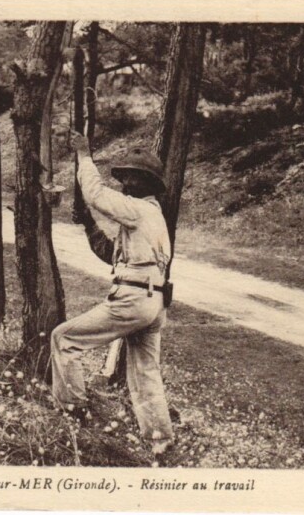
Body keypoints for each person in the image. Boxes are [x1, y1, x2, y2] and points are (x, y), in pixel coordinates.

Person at [51, 131, 176, 461]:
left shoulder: (138, 210)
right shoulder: (152, 216)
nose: (123, 182)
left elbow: (94, 192)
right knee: (145, 374)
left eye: (130, 177)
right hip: (154, 303)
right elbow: (113, 254)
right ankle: (161, 442)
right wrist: (89, 224)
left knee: (63, 339)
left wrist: (83, 154)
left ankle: (72, 413)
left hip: (133, 299)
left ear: (143, 183)